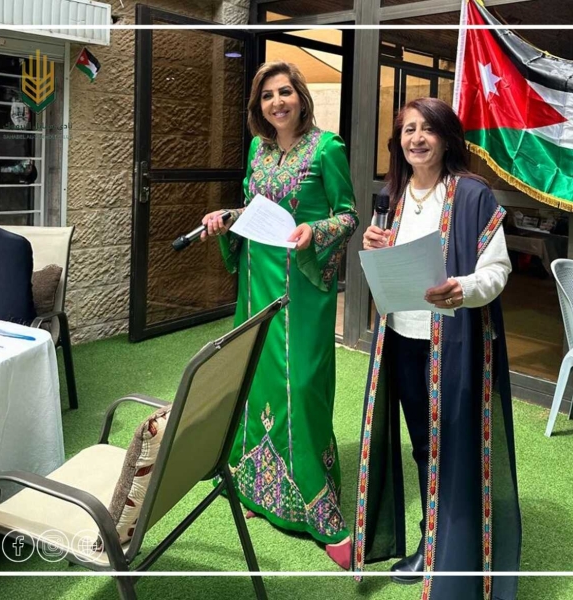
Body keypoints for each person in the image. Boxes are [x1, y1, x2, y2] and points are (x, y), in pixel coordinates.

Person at [354, 97, 521, 600]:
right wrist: (373, 248)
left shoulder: (472, 195)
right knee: (424, 446)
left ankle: (460, 552)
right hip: (402, 340)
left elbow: (498, 271)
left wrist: (462, 288)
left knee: (458, 446)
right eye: (408, 130)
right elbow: (388, 267)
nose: (417, 138)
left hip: (456, 343)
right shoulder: (393, 196)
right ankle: (432, 542)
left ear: (447, 138)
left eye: (427, 129)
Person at [201, 61, 358, 569]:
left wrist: (317, 231)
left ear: (300, 97)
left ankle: (319, 506)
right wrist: (226, 217)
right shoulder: (258, 149)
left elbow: (349, 214)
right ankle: (257, 490)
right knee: (256, 383)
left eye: (284, 92)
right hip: (257, 282)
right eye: (267, 96)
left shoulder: (327, 148)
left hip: (304, 287)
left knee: (303, 386)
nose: (276, 103)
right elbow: (253, 207)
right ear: (259, 106)